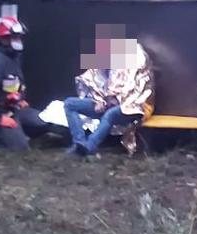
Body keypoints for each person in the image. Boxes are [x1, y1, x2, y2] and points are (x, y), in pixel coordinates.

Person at [0, 16, 58, 150]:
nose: (19, 40)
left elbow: (16, 85)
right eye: (15, 37)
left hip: (12, 110)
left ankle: (19, 133)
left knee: (42, 123)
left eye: (19, 37)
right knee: (19, 147)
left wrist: (19, 99)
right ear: (3, 39)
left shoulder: (13, 57)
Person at [63, 28, 155, 157]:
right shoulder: (106, 58)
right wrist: (98, 100)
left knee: (110, 115)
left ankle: (89, 147)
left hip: (132, 105)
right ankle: (79, 142)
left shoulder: (136, 56)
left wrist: (113, 101)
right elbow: (93, 80)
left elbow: (135, 88)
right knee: (70, 104)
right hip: (107, 103)